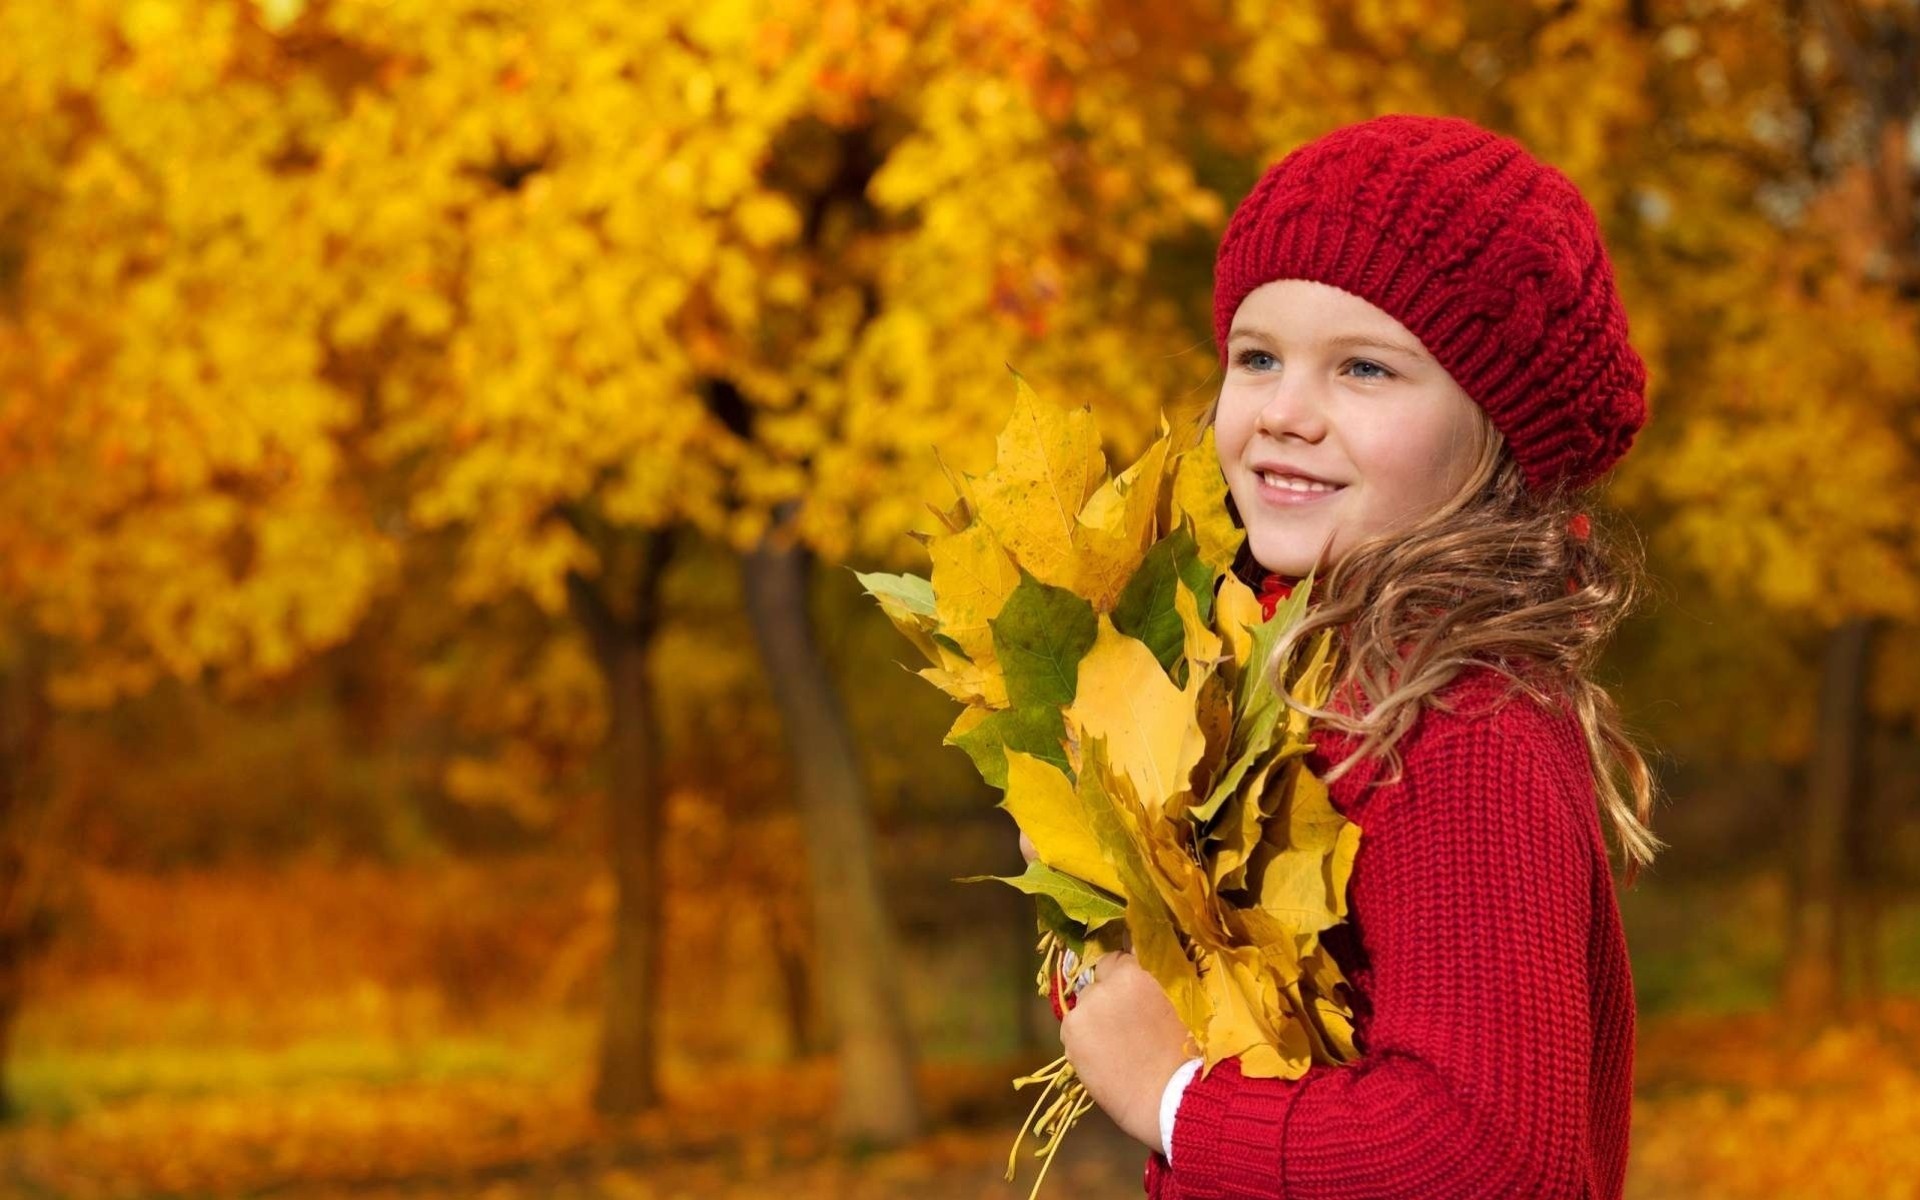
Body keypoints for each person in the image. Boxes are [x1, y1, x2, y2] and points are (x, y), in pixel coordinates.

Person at [1026, 113, 1663, 1198]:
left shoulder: (1463, 723)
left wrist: (1175, 1097)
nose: (1285, 413)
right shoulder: (1282, 678)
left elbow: (1492, 1158)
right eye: (1257, 357)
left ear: (1499, 433)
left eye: (1363, 369)